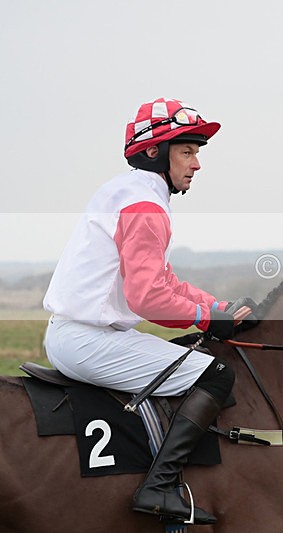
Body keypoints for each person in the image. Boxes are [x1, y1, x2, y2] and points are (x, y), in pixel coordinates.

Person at [43, 97, 255, 525]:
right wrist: (207, 318)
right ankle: (157, 488)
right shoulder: (146, 206)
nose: (197, 164)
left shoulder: (129, 192)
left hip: (81, 334)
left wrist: (215, 306)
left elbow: (166, 282)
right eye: (188, 152)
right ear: (156, 152)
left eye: (196, 153)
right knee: (215, 373)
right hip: (89, 340)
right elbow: (148, 299)